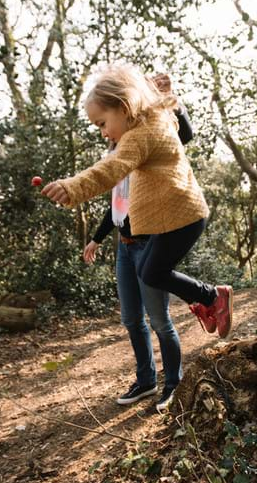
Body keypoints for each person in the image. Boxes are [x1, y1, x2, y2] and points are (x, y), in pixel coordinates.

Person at [42, 63, 233, 343]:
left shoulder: (142, 132)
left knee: (153, 272)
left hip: (183, 218)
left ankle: (212, 297)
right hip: (172, 220)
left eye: (102, 123)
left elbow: (111, 168)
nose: (103, 133)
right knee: (148, 272)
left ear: (122, 106)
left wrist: (72, 187)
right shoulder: (150, 122)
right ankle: (206, 300)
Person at [83, 74, 194, 412]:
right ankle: (146, 380)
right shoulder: (116, 148)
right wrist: (97, 238)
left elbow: (185, 134)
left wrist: (171, 97)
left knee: (159, 320)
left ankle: (173, 382)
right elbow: (116, 202)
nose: (105, 131)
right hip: (124, 245)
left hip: (151, 242)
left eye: (105, 122)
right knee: (132, 319)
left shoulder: (152, 137)